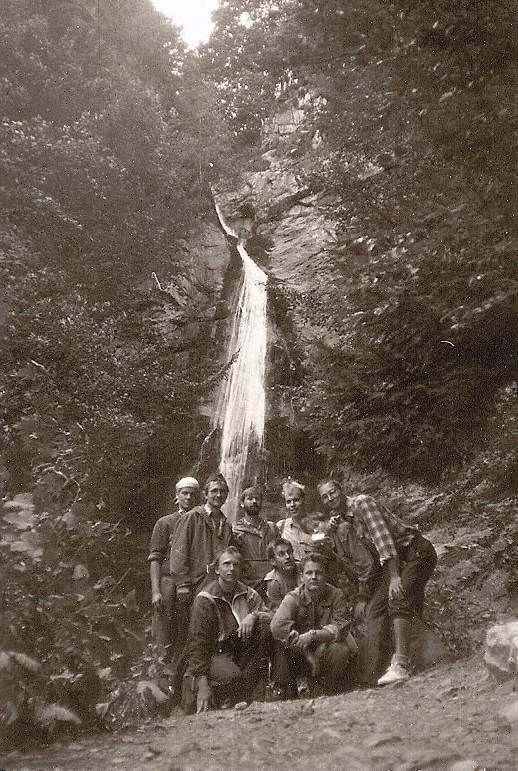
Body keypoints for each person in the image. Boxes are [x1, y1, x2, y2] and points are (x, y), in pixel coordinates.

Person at [318, 478, 437, 685]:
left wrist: (393, 577)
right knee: (374, 611)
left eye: (333, 493)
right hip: (398, 560)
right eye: (325, 497)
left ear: (342, 490)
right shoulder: (344, 516)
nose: (330, 499)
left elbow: (384, 541)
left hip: (415, 552)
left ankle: (401, 665)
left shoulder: (362, 504)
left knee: (397, 597)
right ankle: (374, 675)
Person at [182, 547, 272, 713]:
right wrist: (202, 684)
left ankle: (251, 694)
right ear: (217, 569)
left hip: (239, 649)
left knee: (264, 627)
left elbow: (270, 615)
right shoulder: (206, 599)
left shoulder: (248, 593)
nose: (232, 568)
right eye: (226, 564)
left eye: (236, 565)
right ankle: (219, 694)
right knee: (232, 678)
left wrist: (253, 615)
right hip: (215, 654)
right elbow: (197, 644)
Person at [270, 552, 357, 697]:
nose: (314, 577)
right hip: (300, 652)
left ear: (326, 576)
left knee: (340, 649)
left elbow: (339, 629)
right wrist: (308, 653)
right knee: (281, 645)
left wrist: (312, 635)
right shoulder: (294, 597)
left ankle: (325, 688)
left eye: (319, 573)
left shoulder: (336, 595)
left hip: (325, 650)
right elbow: (277, 626)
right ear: (302, 577)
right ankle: (286, 694)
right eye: (309, 573)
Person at [148, 476, 200, 659]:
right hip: (169, 583)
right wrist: (156, 591)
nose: (188, 497)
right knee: (165, 629)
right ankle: (160, 666)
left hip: (193, 582)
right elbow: (155, 559)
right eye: (184, 493)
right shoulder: (165, 523)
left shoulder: (201, 523)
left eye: (192, 494)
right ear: (177, 495)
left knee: (187, 631)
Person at [170, 472, 235, 602]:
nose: (218, 495)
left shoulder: (227, 525)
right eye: (214, 491)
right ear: (206, 495)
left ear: (227, 495)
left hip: (219, 584)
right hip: (195, 584)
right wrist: (182, 584)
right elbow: (178, 553)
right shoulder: (192, 517)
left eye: (222, 491)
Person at [232, 485, 279, 596]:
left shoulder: (272, 528)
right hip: (247, 584)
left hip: (271, 582)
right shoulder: (234, 530)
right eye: (250, 498)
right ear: (242, 503)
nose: (254, 501)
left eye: (257, 498)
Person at [276, 479, 318, 563]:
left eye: (296, 500)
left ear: (304, 500)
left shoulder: (316, 524)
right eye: (288, 501)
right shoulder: (281, 526)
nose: (292, 505)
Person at [264, 538, 299, 612]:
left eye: (289, 552)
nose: (287, 557)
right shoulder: (273, 581)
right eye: (281, 554)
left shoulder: (303, 569)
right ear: (273, 561)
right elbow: (280, 611)